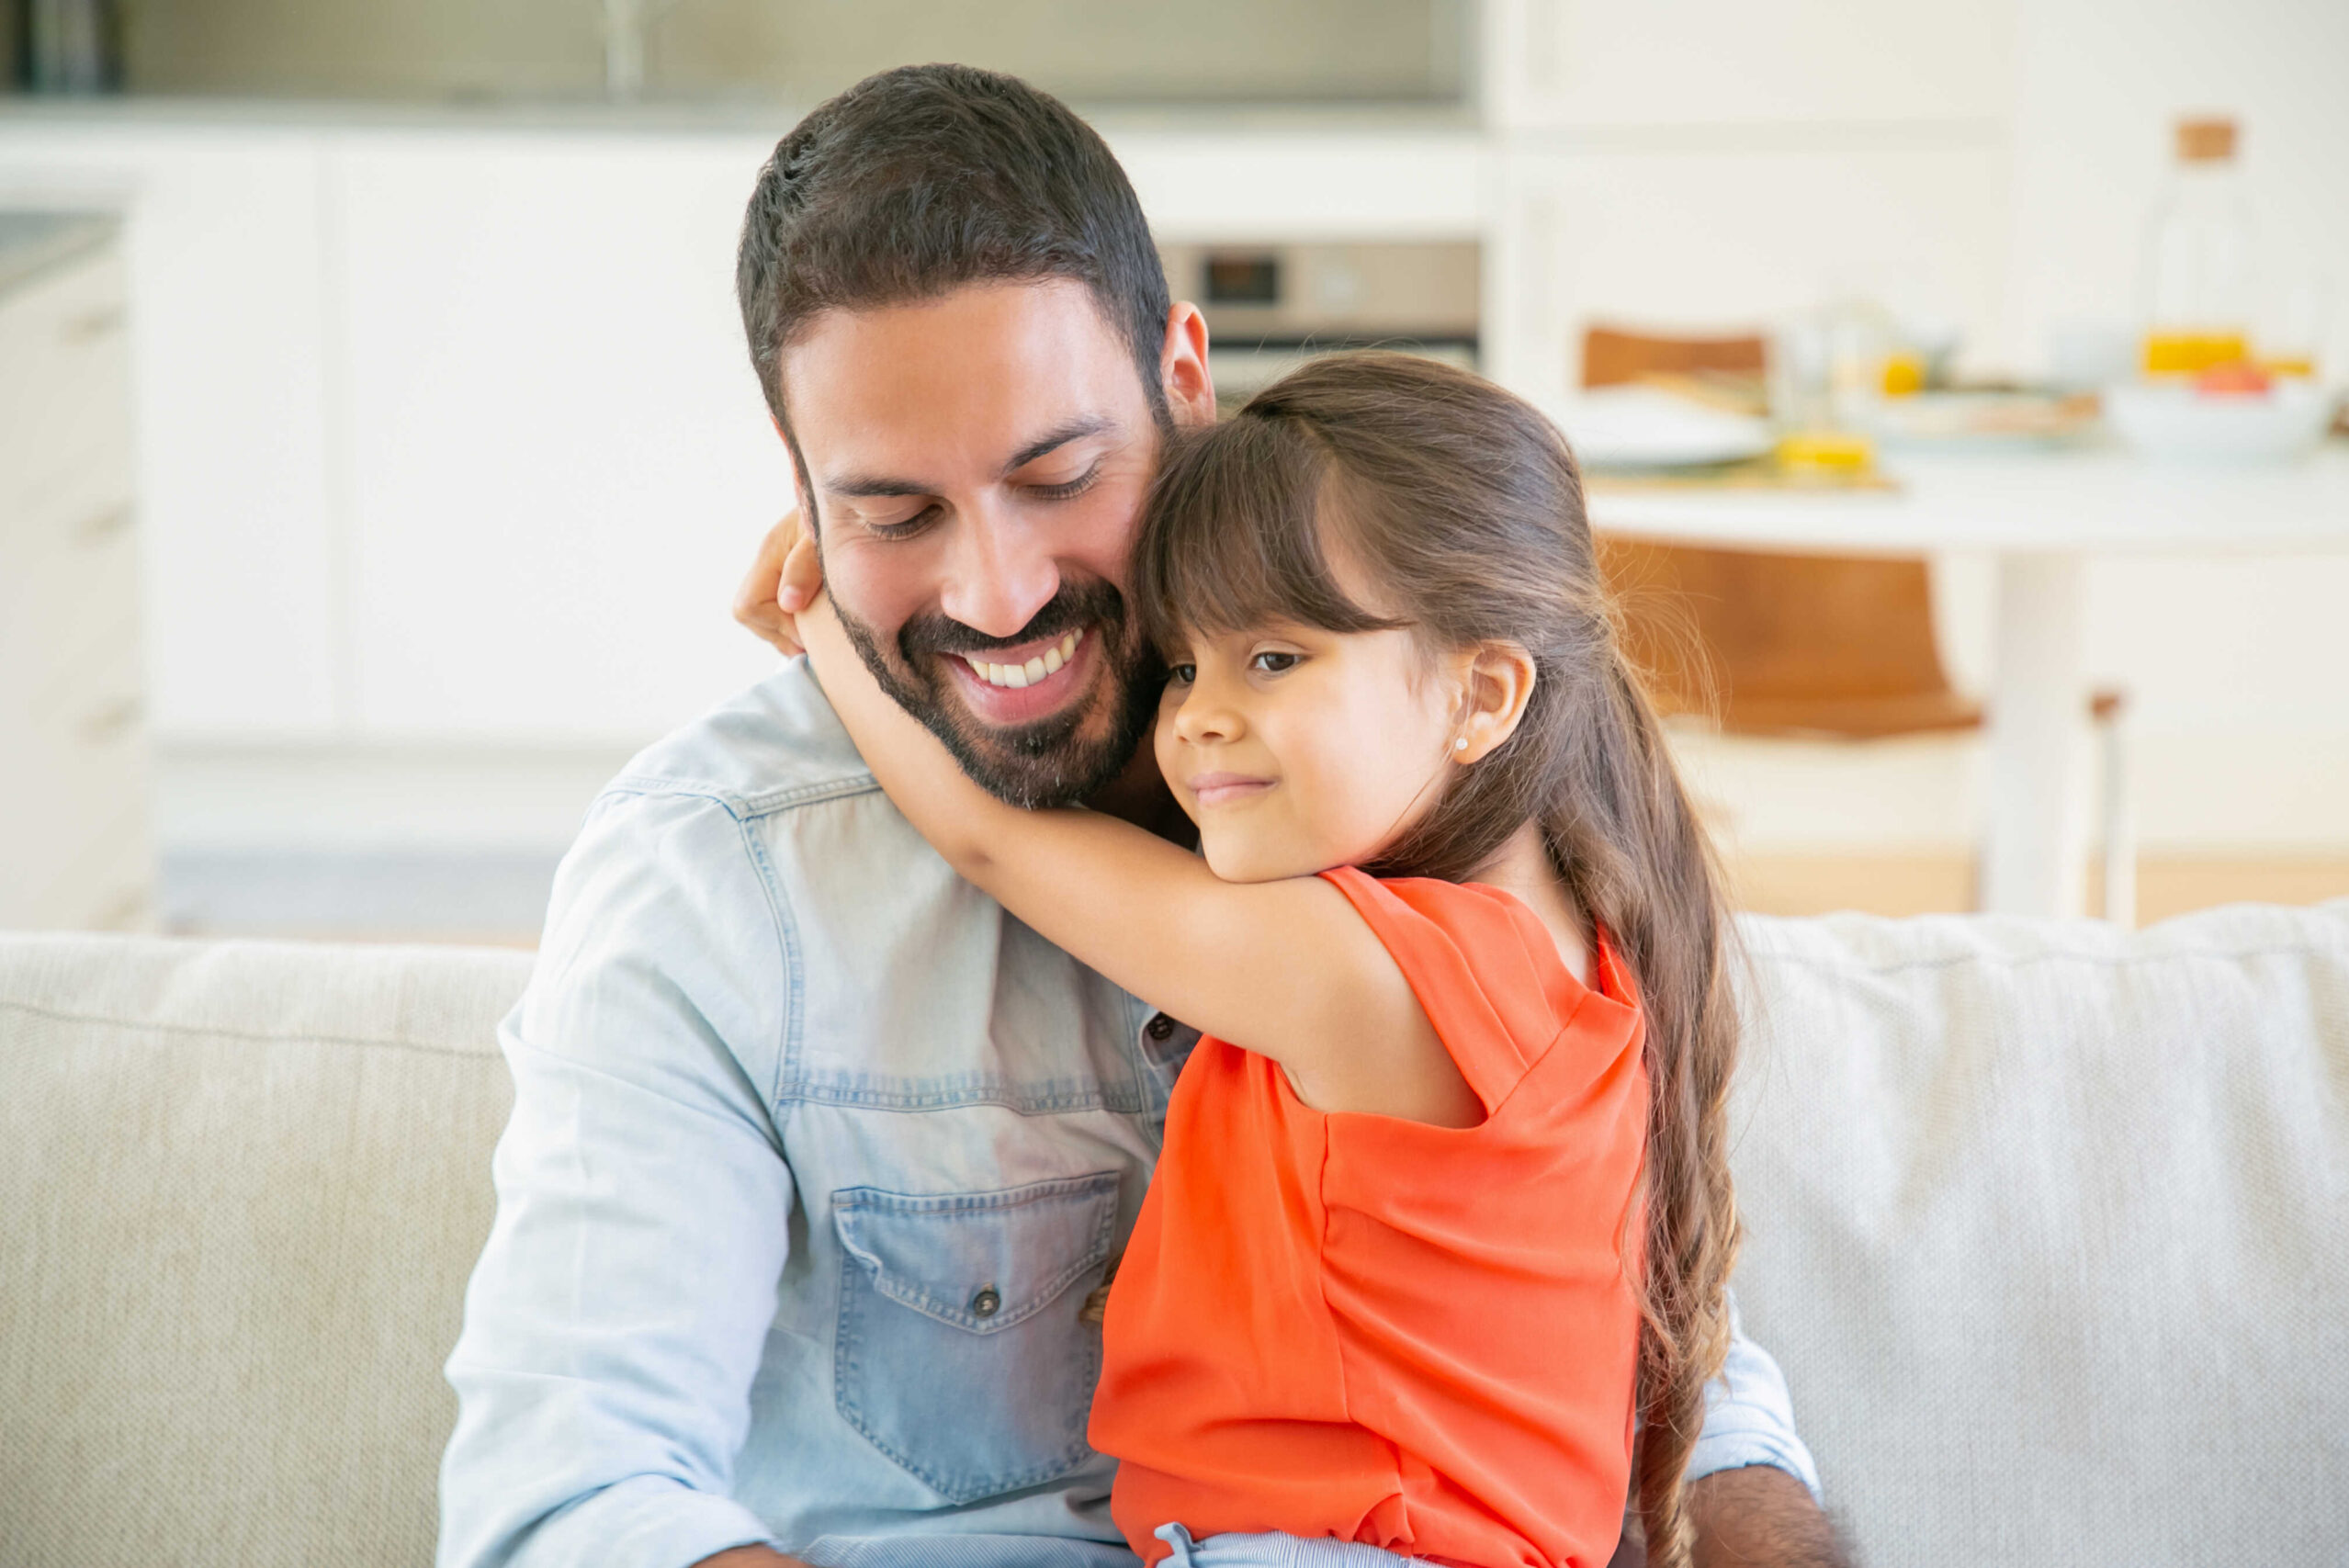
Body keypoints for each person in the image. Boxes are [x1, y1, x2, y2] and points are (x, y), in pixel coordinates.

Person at [438, 62, 1836, 1568]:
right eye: (895, 515)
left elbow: (1651, 1362)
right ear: (799, 493)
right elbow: (572, 1505)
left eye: (1058, 474)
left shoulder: (1414, 808)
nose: (1001, 594)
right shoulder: (715, 878)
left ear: (1184, 379)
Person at [793, 347, 1733, 1568]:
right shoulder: (1574, 955)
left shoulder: (1370, 978)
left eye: (1275, 659)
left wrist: (823, 616)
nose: (1197, 718)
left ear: (1481, 695)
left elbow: (994, 843)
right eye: (1186, 661)